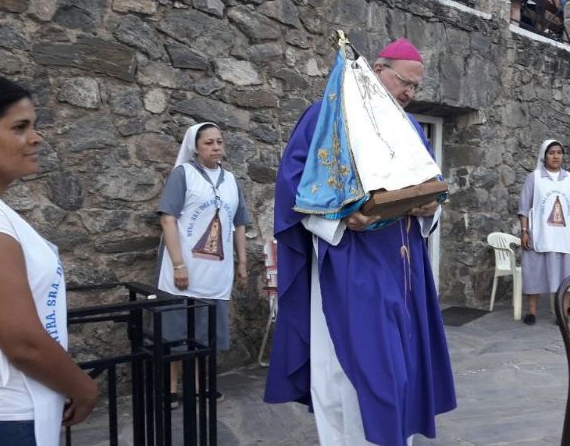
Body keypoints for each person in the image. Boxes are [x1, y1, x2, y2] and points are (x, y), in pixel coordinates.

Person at [264, 39, 456, 446]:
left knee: (399, 368)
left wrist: (429, 209)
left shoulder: (408, 129)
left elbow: (431, 184)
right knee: (350, 372)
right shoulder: (330, 116)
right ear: (378, 70)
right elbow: (292, 185)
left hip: (403, 269)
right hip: (351, 267)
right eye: (406, 83)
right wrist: (336, 215)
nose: (410, 94)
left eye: (416, 88)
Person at [0, 75, 99, 445]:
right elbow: (23, 342)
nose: (37, 138)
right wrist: (83, 388)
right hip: (11, 416)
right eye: (20, 127)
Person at [157, 122, 250, 405]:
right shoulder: (183, 175)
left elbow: (239, 224)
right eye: (209, 142)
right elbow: (167, 218)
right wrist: (178, 264)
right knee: (175, 330)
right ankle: (170, 387)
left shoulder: (231, 180)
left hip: (216, 271)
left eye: (219, 141)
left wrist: (242, 262)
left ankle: (200, 386)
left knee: (206, 332)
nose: (216, 147)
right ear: (195, 147)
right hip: (184, 267)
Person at [517, 139, 570, 325]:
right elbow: (524, 207)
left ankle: (561, 315)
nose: (556, 156)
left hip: (563, 238)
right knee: (534, 274)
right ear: (544, 155)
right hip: (539, 235)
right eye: (551, 153)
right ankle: (531, 313)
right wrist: (524, 231)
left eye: (559, 153)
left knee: (565, 276)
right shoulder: (535, 177)